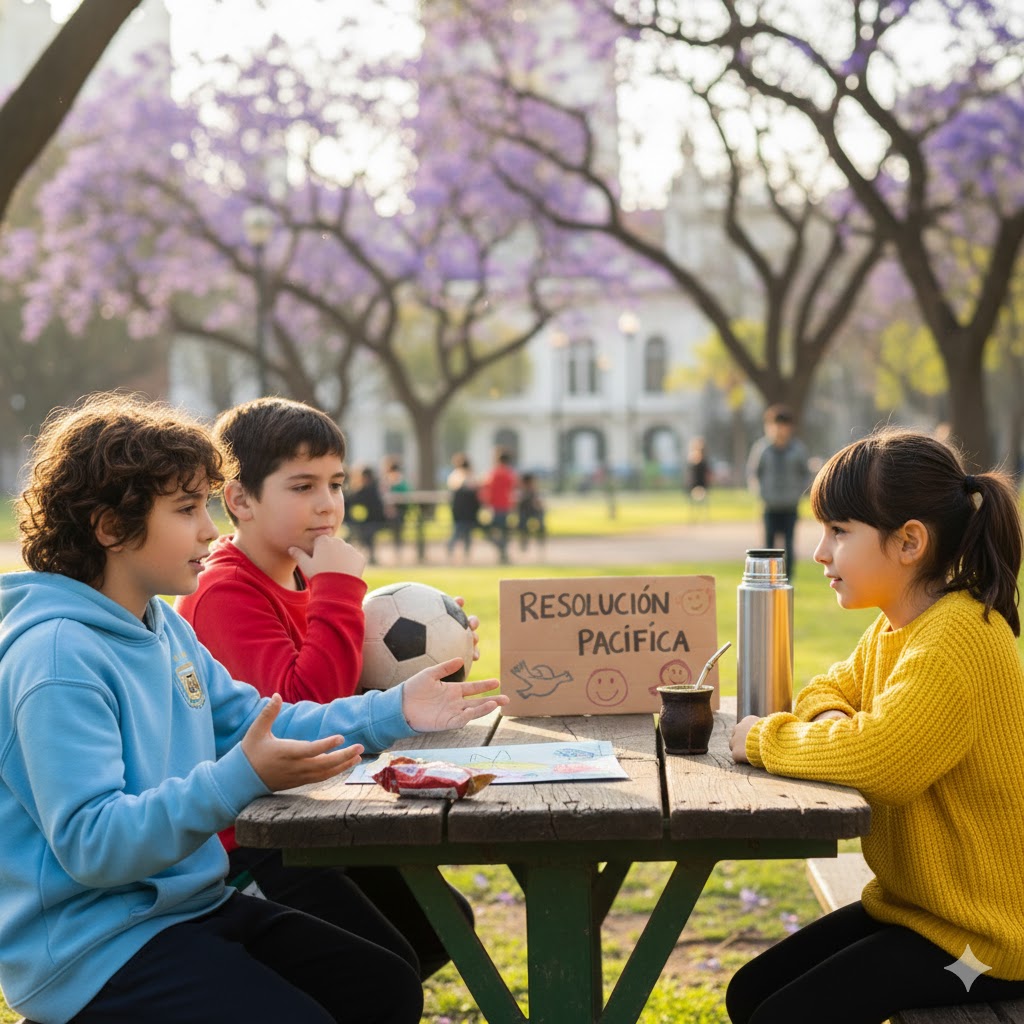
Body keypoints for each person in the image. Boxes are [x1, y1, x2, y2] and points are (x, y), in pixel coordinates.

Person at [0, 392, 507, 1024]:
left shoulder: (161, 627)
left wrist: (397, 708)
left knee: (382, 986)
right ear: (110, 527)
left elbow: (262, 718)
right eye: (187, 509)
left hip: (184, 907)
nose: (210, 530)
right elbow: (92, 844)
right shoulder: (57, 660)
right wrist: (242, 775)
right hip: (90, 950)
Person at [175, 396, 480, 980]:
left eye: (336, 483)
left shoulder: (303, 579)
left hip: (320, 818)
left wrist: (435, 655)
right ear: (240, 499)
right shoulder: (224, 594)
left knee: (443, 927)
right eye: (301, 486)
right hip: (254, 842)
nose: (327, 504)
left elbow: (344, 687)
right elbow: (302, 712)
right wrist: (339, 589)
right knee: (381, 969)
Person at [727, 427, 1024, 1024]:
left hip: (985, 944)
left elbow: (881, 760)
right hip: (915, 909)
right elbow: (827, 688)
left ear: (909, 541)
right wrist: (836, 720)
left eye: (839, 532)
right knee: (748, 995)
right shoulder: (898, 628)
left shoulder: (956, 640)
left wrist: (763, 737)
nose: (819, 552)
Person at [746, 405, 811, 578]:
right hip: (770, 505)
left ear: (790, 427)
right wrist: (760, 493)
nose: (779, 430)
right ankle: (767, 578)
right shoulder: (762, 449)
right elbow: (754, 473)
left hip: (790, 505)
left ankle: (788, 579)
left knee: (789, 545)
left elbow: (805, 473)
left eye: (784, 425)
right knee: (768, 546)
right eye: (775, 425)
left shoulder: (798, 449)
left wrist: (800, 492)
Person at [479, 447, 518, 564]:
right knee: (503, 531)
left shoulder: (493, 473)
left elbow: (485, 489)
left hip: (495, 506)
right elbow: (513, 490)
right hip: (506, 506)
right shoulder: (510, 474)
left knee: (491, 531)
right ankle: (503, 551)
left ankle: (502, 551)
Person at [346, 465, 386, 565]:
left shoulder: (370, 490)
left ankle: (369, 557)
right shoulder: (372, 489)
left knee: (365, 533)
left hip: (374, 521)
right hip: (367, 521)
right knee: (356, 533)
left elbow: (352, 499)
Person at [446, 452, 480, 562]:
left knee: (464, 532)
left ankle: (465, 554)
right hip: (465, 509)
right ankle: (452, 549)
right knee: (460, 531)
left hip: (462, 509)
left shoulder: (455, 475)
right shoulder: (462, 476)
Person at [381, 456, 410, 558]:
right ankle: (397, 550)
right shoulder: (394, 481)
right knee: (397, 530)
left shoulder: (393, 481)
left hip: (398, 509)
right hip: (394, 510)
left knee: (397, 530)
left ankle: (397, 550)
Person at [515, 472, 546, 552]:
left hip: (534, 513)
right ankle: (524, 542)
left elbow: (539, 505)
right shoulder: (521, 492)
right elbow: (517, 505)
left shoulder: (534, 492)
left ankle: (540, 542)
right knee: (523, 524)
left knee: (540, 522)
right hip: (524, 514)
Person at [685, 437, 711, 519]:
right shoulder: (691, 460)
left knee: (702, 502)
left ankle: (703, 517)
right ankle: (693, 517)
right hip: (694, 484)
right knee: (693, 503)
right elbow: (689, 474)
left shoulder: (703, 461)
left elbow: (707, 473)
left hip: (701, 483)